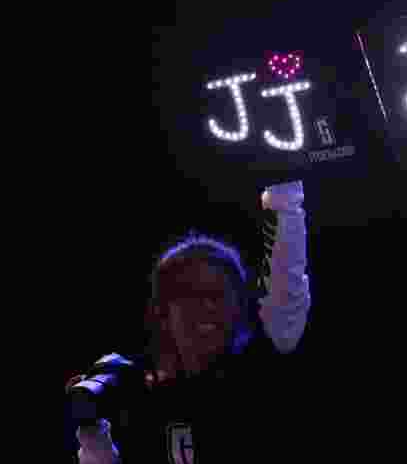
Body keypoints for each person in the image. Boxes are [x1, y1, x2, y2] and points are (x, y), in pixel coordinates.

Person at [67, 180, 311, 464]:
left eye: (218, 294)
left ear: (240, 306)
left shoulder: (262, 365)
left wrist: (284, 190)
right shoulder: (142, 402)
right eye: (190, 293)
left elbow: (286, 282)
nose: (207, 305)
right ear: (162, 310)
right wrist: (90, 428)